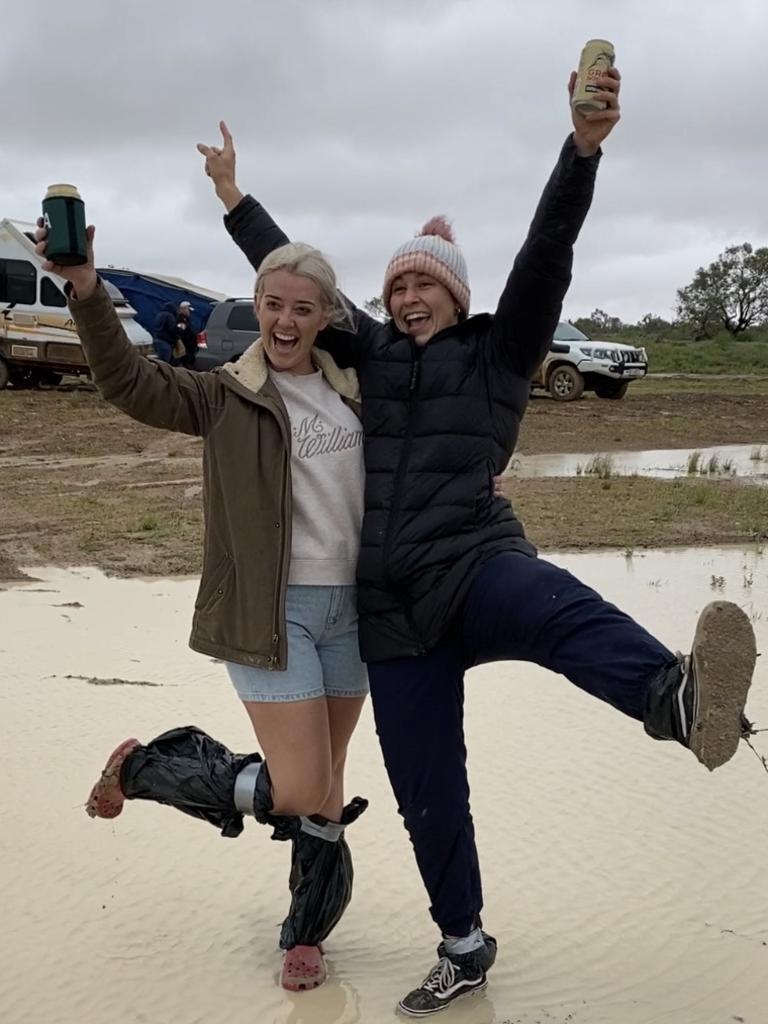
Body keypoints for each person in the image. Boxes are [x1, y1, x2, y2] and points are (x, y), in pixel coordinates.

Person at [201, 61, 759, 1018]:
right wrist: (234, 200)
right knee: (429, 792)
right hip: (390, 615)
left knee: (550, 605)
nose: (408, 294)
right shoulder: (365, 353)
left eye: (426, 282)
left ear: (457, 296)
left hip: (472, 564)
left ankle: (675, 696)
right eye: (397, 284)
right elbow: (299, 282)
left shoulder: (502, 354)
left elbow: (548, 252)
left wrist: (580, 150)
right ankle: (462, 943)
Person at [36, 224, 370, 992]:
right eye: (272, 304)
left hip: (352, 614)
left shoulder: (358, 394)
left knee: (326, 789)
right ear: (257, 308)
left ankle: (304, 935)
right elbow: (127, 383)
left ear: (326, 317)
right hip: (268, 612)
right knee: (297, 789)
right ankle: (148, 768)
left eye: (303, 308)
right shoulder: (224, 394)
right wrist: (86, 292)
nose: (285, 321)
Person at [176, 300, 198, 368]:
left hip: (190, 347)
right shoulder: (181, 320)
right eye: (188, 310)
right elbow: (181, 333)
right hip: (186, 347)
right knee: (187, 364)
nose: (189, 312)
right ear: (183, 309)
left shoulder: (187, 320)